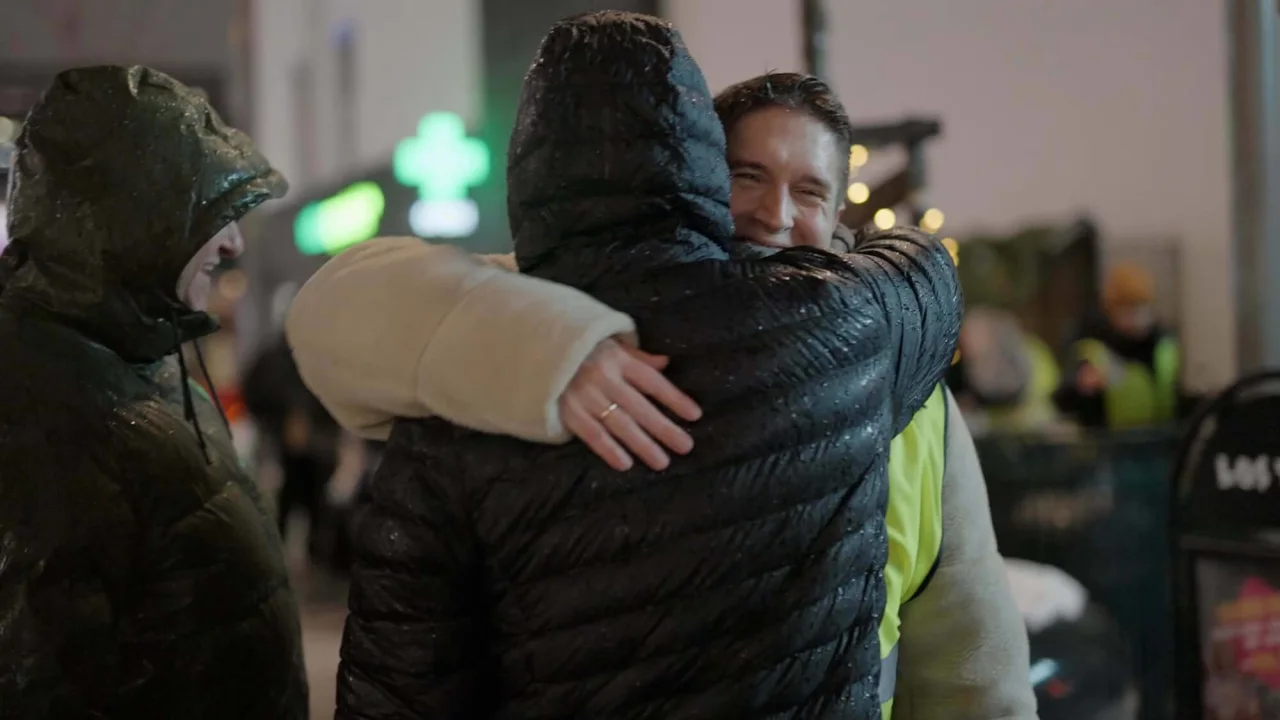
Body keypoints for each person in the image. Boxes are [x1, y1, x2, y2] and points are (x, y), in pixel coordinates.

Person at [290, 71, 1036, 719]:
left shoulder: (899, 382)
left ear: (838, 217)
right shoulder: (571, 312)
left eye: (808, 190)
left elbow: (972, 663)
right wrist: (545, 349)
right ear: (694, 179)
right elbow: (340, 310)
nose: (775, 214)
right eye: (748, 175)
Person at [0, 66, 308, 718]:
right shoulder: (40, 415)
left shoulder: (134, 356)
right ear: (139, 215)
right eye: (209, 216)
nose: (231, 243)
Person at [1053, 263, 1181, 429]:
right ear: (1111, 311)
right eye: (1127, 309)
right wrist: (1081, 387)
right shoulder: (1093, 348)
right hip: (1111, 446)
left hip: (1160, 441)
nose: (1136, 318)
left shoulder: (1164, 345)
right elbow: (1063, 397)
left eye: (1142, 307)